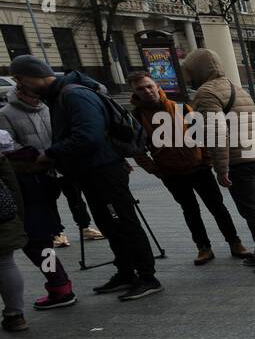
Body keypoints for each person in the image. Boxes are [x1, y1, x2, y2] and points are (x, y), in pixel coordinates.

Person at [18, 56, 163, 299]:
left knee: (124, 224)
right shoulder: (61, 94)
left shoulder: (74, 95)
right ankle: (126, 272)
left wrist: (51, 154)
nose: (19, 85)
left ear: (33, 75)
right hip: (91, 172)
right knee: (109, 225)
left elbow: (88, 137)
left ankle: (148, 277)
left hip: (103, 171)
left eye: (20, 79)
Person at [182, 48, 255, 273]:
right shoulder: (236, 87)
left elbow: (216, 132)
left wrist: (221, 168)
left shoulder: (206, 93)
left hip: (237, 162)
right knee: (252, 207)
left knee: (250, 210)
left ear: (197, 70)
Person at [128, 71, 250, 261]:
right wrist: (155, 169)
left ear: (157, 87)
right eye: (141, 89)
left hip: (199, 169)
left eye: (149, 86)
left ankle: (235, 242)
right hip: (171, 173)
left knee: (217, 207)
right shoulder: (136, 117)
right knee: (190, 211)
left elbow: (202, 135)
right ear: (135, 92)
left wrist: (207, 160)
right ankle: (203, 247)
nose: (147, 91)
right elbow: (137, 150)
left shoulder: (181, 108)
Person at [0, 75, 77, 308]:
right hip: (24, 183)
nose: (37, 98)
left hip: (43, 182)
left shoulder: (47, 108)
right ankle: (58, 284)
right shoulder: (6, 115)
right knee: (39, 242)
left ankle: (59, 285)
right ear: (21, 91)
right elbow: (11, 153)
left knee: (39, 242)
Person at [0, 146, 29, 330]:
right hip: (2, 214)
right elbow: (11, 183)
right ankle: (15, 314)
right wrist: (17, 214)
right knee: (5, 262)